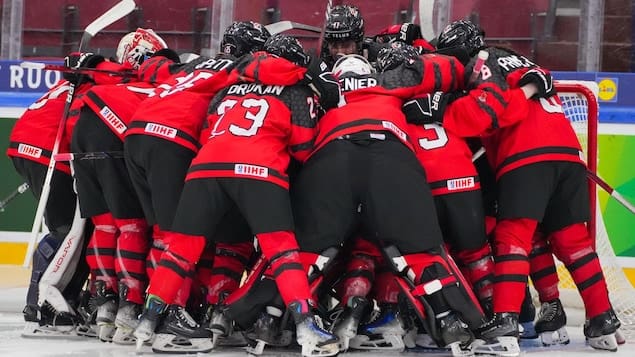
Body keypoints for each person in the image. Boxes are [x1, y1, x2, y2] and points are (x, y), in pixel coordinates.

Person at [133, 34, 342, 357]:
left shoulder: (228, 85)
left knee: (180, 251)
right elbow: (303, 148)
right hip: (260, 169)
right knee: (283, 251)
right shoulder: (297, 88)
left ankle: (148, 322)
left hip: (206, 168)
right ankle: (306, 328)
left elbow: (207, 130)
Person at [428, 19, 621, 354]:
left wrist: (445, 108)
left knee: (513, 238)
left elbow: (491, 112)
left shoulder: (481, 65)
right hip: (568, 152)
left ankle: (505, 320)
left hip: (526, 156)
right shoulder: (522, 61)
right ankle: (601, 317)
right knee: (571, 240)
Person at [290, 46, 486, 355]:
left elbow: (301, 146)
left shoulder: (324, 89)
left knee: (311, 251)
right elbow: (448, 69)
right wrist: (457, 69)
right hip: (395, 160)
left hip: (331, 158)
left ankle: (281, 317)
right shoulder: (388, 83)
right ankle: (449, 319)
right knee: (415, 250)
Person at [123, 21, 270, 352]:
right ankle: (169, 315)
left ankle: (153, 312)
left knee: (163, 233)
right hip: (172, 140)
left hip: (135, 137)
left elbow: (151, 69)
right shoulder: (244, 68)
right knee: (180, 237)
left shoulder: (193, 64)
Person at [7, 50, 128, 337]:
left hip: (28, 144)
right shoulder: (98, 82)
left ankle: (61, 299)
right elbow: (118, 74)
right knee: (68, 230)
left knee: (75, 230)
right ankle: (39, 303)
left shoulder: (75, 82)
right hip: (50, 150)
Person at [70, 28, 179, 343]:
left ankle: (105, 304)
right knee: (134, 227)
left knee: (105, 227)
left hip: (86, 126)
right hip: (116, 130)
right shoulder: (162, 83)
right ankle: (129, 306)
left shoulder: (104, 75)